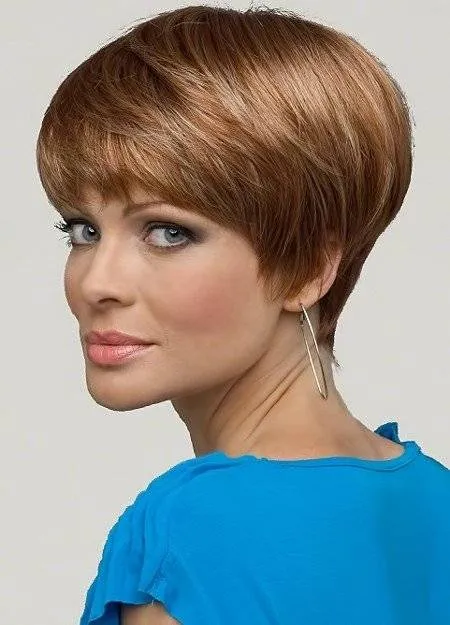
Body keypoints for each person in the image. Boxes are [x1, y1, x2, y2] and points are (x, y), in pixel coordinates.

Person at [35, 5, 449, 625]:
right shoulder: (436, 501)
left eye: (168, 232)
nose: (97, 283)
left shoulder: (192, 530)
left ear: (308, 267)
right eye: (83, 230)